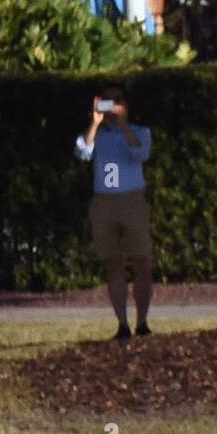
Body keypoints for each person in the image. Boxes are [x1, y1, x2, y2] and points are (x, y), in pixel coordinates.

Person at [74, 86, 154, 339]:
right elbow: (82, 152)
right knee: (113, 262)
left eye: (116, 100)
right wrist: (95, 123)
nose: (111, 105)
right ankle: (122, 324)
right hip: (104, 201)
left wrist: (124, 126)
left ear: (126, 105)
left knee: (141, 260)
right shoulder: (97, 134)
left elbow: (141, 152)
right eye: (106, 101)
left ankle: (142, 322)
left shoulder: (140, 131)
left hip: (132, 199)